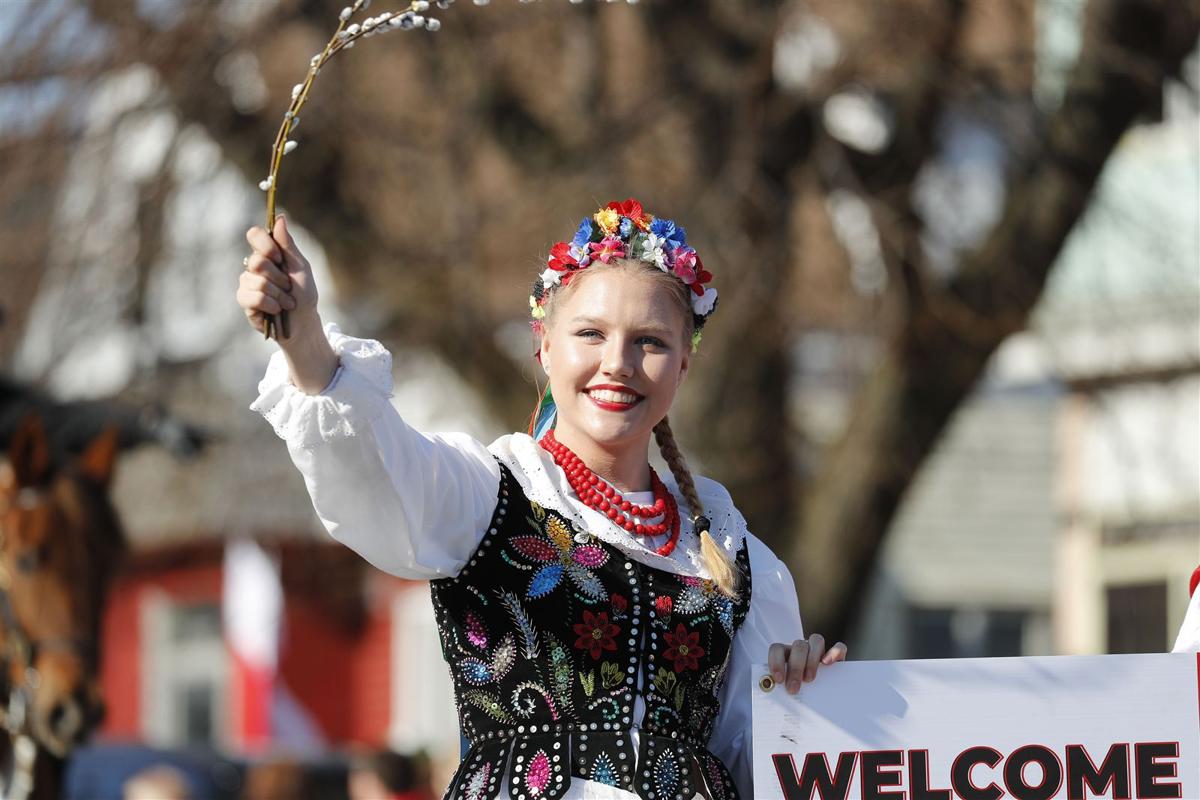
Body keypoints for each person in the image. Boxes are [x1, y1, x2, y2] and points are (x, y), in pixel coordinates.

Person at [237, 199, 847, 800]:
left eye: (650, 342)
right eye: (591, 333)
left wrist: (804, 704)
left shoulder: (731, 554)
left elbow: (768, 768)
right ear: (544, 346)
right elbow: (378, 468)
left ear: (684, 363)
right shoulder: (491, 496)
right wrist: (307, 343)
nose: (619, 364)